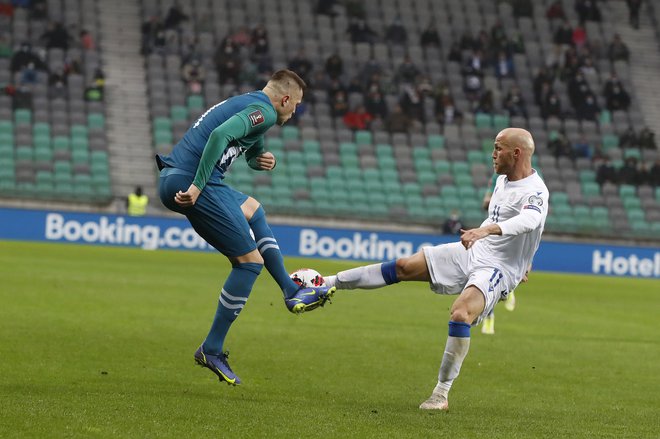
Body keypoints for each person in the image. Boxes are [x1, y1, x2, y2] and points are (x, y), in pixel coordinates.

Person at [324, 128, 549, 410]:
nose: (493, 154)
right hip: (475, 251)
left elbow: (530, 221)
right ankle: (326, 283)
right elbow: (516, 225)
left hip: (498, 268)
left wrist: (490, 236)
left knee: (460, 313)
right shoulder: (502, 180)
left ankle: (440, 394)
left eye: (498, 148)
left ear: (516, 153)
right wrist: (522, 254)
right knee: (404, 266)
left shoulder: (536, 191)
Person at [156, 70, 335, 386]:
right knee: (249, 263)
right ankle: (211, 348)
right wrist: (197, 187)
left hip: (185, 177)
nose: (295, 112)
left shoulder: (254, 107)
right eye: (295, 105)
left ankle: (290, 290)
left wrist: (262, 159)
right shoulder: (264, 112)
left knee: (254, 210)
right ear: (284, 99)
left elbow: (249, 152)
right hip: (193, 181)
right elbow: (219, 137)